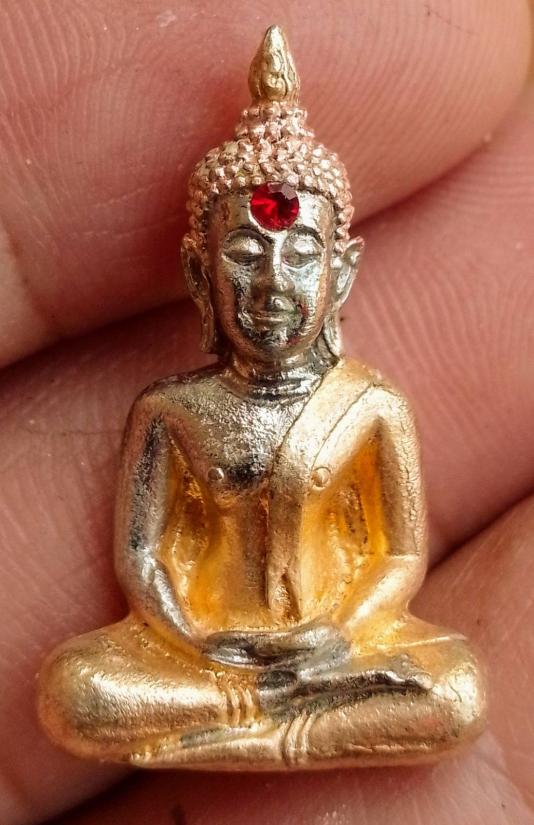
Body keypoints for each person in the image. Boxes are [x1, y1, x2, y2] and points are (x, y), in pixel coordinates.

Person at [0, 1, 532, 823]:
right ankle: (276, 725)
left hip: (331, 653)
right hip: (203, 655)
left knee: (454, 688)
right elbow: (142, 559)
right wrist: (198, 640)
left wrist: (337, 636)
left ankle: (238, 731)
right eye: (244, 254)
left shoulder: (372, 406)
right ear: (199, 272)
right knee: (76, 690)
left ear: (342, 273)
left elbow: (398, 556)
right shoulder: (173, 409)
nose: (273, 282)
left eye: (302, 254)